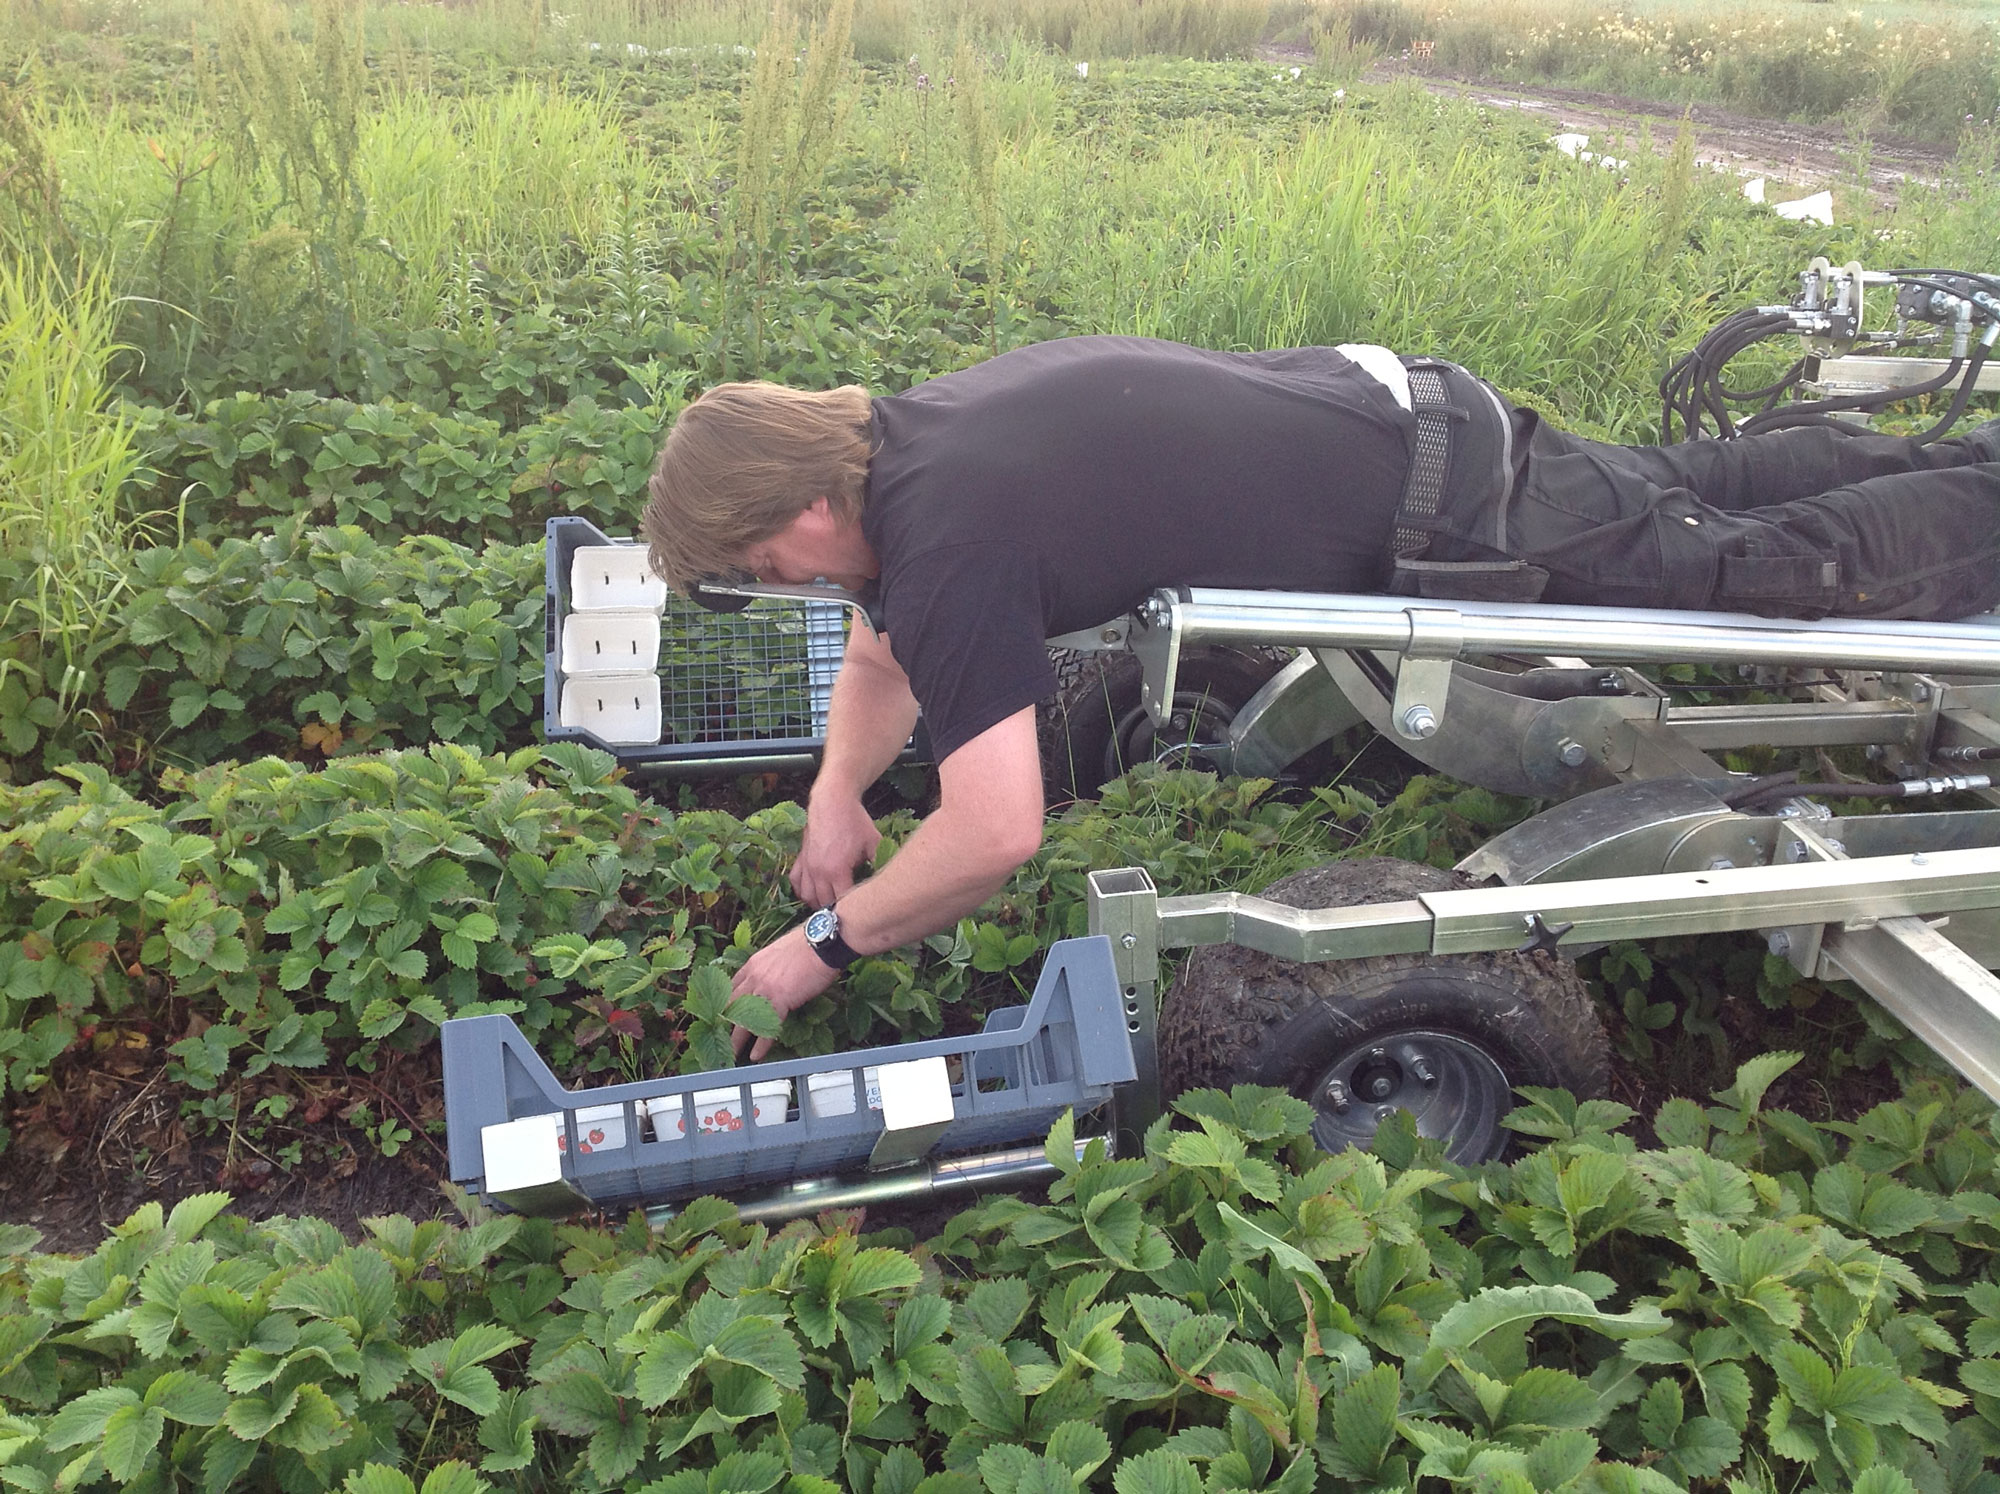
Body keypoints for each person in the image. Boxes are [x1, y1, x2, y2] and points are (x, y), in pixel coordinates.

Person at [640, 335, 2000, 1057]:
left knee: (1765, 574)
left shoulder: (950, 545)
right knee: (1680, 504)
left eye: (772, 562)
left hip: (1448, 507)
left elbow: (996, 829)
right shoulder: (909, 446)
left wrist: (826, 944)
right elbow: (879, 650)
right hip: (1402, 419)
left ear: (812, 500)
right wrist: (835, 799)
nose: (795, 586)